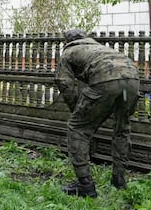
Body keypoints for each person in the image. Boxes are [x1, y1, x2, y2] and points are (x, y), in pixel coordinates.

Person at [54, 29, 139, 198]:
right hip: (132, 79)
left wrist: (76, 108)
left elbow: (63, 81)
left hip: (105, 79)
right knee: (122, 128)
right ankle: (119, 180)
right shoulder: (99, 48)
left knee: (77, 129)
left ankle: (85, 185)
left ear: (66, 41)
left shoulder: (69, 51)